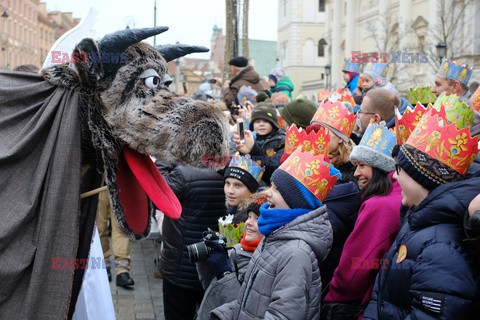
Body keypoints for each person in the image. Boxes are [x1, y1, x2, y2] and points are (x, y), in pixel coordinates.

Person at [363, 109, 480, 319]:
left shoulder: (440, 248)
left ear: (423, 179)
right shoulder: (417, 219)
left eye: (399, 170)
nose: (395, 178)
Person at [211, 147, 341, 320]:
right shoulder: (275, 235)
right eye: (271, 185)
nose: (268, 193)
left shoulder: (296, 253)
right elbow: (250, 300)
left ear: (295, 201)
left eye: (278, 189)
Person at [322, 122, 401, 319]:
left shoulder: (379, 206)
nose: (356, 173)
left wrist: (334, 296)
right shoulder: (398, 194)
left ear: (380, 168)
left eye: (362, 165)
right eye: (356, 165)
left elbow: (358, 265)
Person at [156, 161, 227, 320]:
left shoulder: (182, 174)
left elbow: (158, 188)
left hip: (180, 269)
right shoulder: (227, 171)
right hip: (212, 267)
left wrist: (164, 155)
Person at [195, 193, 267, 320]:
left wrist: (225, 273)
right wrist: (205, 257)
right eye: (249, 216)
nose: (248, 223)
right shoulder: (238, 248)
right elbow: (211, 288)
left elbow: (243, 310)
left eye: (257, 218)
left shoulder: (265, 262)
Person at [234, 100, 285, 184]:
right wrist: (241, 152)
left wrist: (253, 149)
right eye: (257, 122)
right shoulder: (250, 139)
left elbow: (273, 171)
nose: (261, 124)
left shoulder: (281, 141)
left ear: (273, 124)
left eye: (266, 121)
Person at [309, 99, 357, 181]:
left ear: (340, 138)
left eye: (323, 132)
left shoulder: (354, 167)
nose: (317, 137)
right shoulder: (307, 157)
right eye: (313, 132)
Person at [96, 189, 134, 288]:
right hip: (97, 184)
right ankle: (104, 266)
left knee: (121, 229)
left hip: (119, 184)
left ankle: (122, 271)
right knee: (99, 229)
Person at [222, 155, 264, 224]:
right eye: (227, 183)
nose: (230, 191)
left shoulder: (252, 218)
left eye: (238, 185)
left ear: (251, 190)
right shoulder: (232, 208)